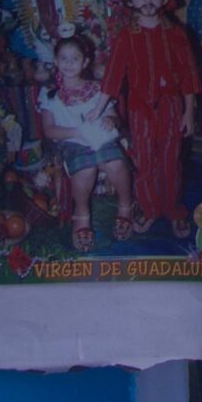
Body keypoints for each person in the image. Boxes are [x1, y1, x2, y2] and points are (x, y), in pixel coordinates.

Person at [104, 0, 202, 240]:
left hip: (172, 107)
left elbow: (188, 75)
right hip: (139, 109)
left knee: (171, 160)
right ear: (130, 0)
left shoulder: (177, 35)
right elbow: (112, 75)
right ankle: (148, 208)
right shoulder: (126, 35)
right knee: (145, 161)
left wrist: (189, 112)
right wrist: (99, 108)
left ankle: (173, 209)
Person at [35, 33, 134, 250]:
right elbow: (49, 129)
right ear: (55, 60)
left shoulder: (97, 88)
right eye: (64, 58)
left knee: (116, 163)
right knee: (86, 169)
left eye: (75, 58)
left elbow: (112, 114)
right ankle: (81, 214)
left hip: (100, 137)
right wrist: (76, 132)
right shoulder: (49, 94)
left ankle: (125, 206)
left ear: (85, 62)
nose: (69, 63)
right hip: (71, 140)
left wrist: (110, 119)